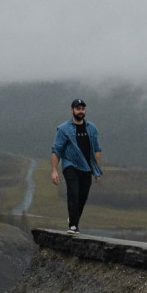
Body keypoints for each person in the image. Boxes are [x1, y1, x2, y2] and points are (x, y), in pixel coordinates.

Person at [51, 98, 102, 234]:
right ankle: (73, 226)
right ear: (72, 110)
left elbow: (97, 149)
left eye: (82, 109)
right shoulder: (63, 128)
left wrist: (97, 170)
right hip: (70, 165)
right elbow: (56, 149)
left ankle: (73, 218)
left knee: (82, 197)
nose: (81, 111)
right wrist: (54, 170)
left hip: (87, 167)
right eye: (78, 109)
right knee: (73, 193)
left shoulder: (91, 128)